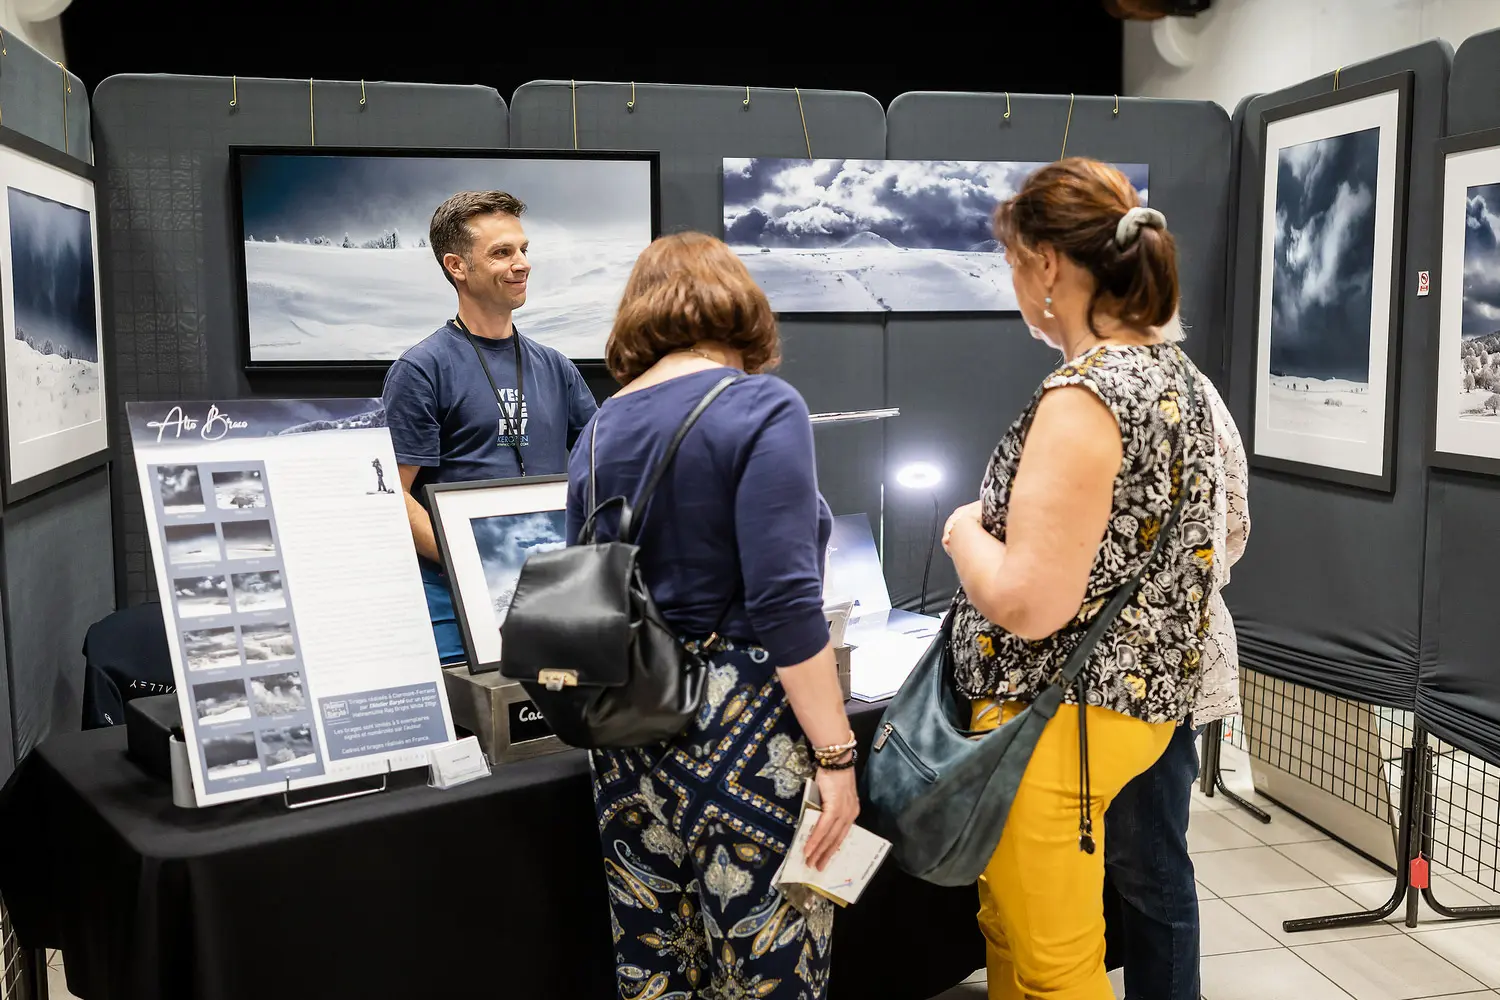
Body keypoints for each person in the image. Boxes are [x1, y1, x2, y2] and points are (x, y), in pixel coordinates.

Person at [940, 158, 1218, 1000]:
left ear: (1047, 265)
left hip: (1059, 714)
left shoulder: (1085, 395)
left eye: (1013, 263)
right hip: (1129, 709)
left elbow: (1030, 602)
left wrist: (961, 535)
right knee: (1019, 932)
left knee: (1056, 960)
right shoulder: (1173, 376)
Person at [572, 232, 857, 999]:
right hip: (743, 730)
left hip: (626, 728)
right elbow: (785, 600)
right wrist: (836, 759)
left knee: (655, 961)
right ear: (740, 308)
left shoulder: (597, 430)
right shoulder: (763, 405)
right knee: (770, 965)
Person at [383, 190, 597, 663]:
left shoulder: (555, 365)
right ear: (457, 266)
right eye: (502, 252)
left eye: (523, 249)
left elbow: (603, 465)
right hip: (457, 610)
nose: (521, 263)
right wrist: (471, 564)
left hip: (552, 597)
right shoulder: (422, 369)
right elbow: (392, 496)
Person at [1103, 320, 1250, 1000]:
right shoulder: (1196, 389)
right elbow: (1235, 530)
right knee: (1143, 862)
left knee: (1149, 865)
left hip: (1148, 675)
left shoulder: (1137, 396)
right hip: (1154, 668)